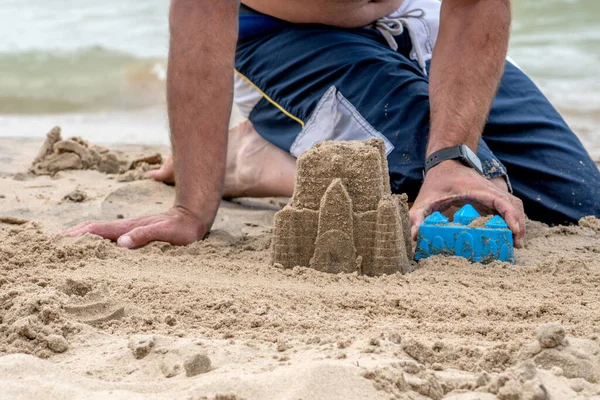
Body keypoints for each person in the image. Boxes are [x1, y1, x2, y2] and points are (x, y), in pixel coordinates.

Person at [65, 0, 600, 251]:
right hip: (286, 36)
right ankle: (240, 158)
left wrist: (451, 156)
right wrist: (191, 210)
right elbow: (199, 12)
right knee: (450, 200)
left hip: (414, 21)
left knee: (576, 202)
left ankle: (272, 157)